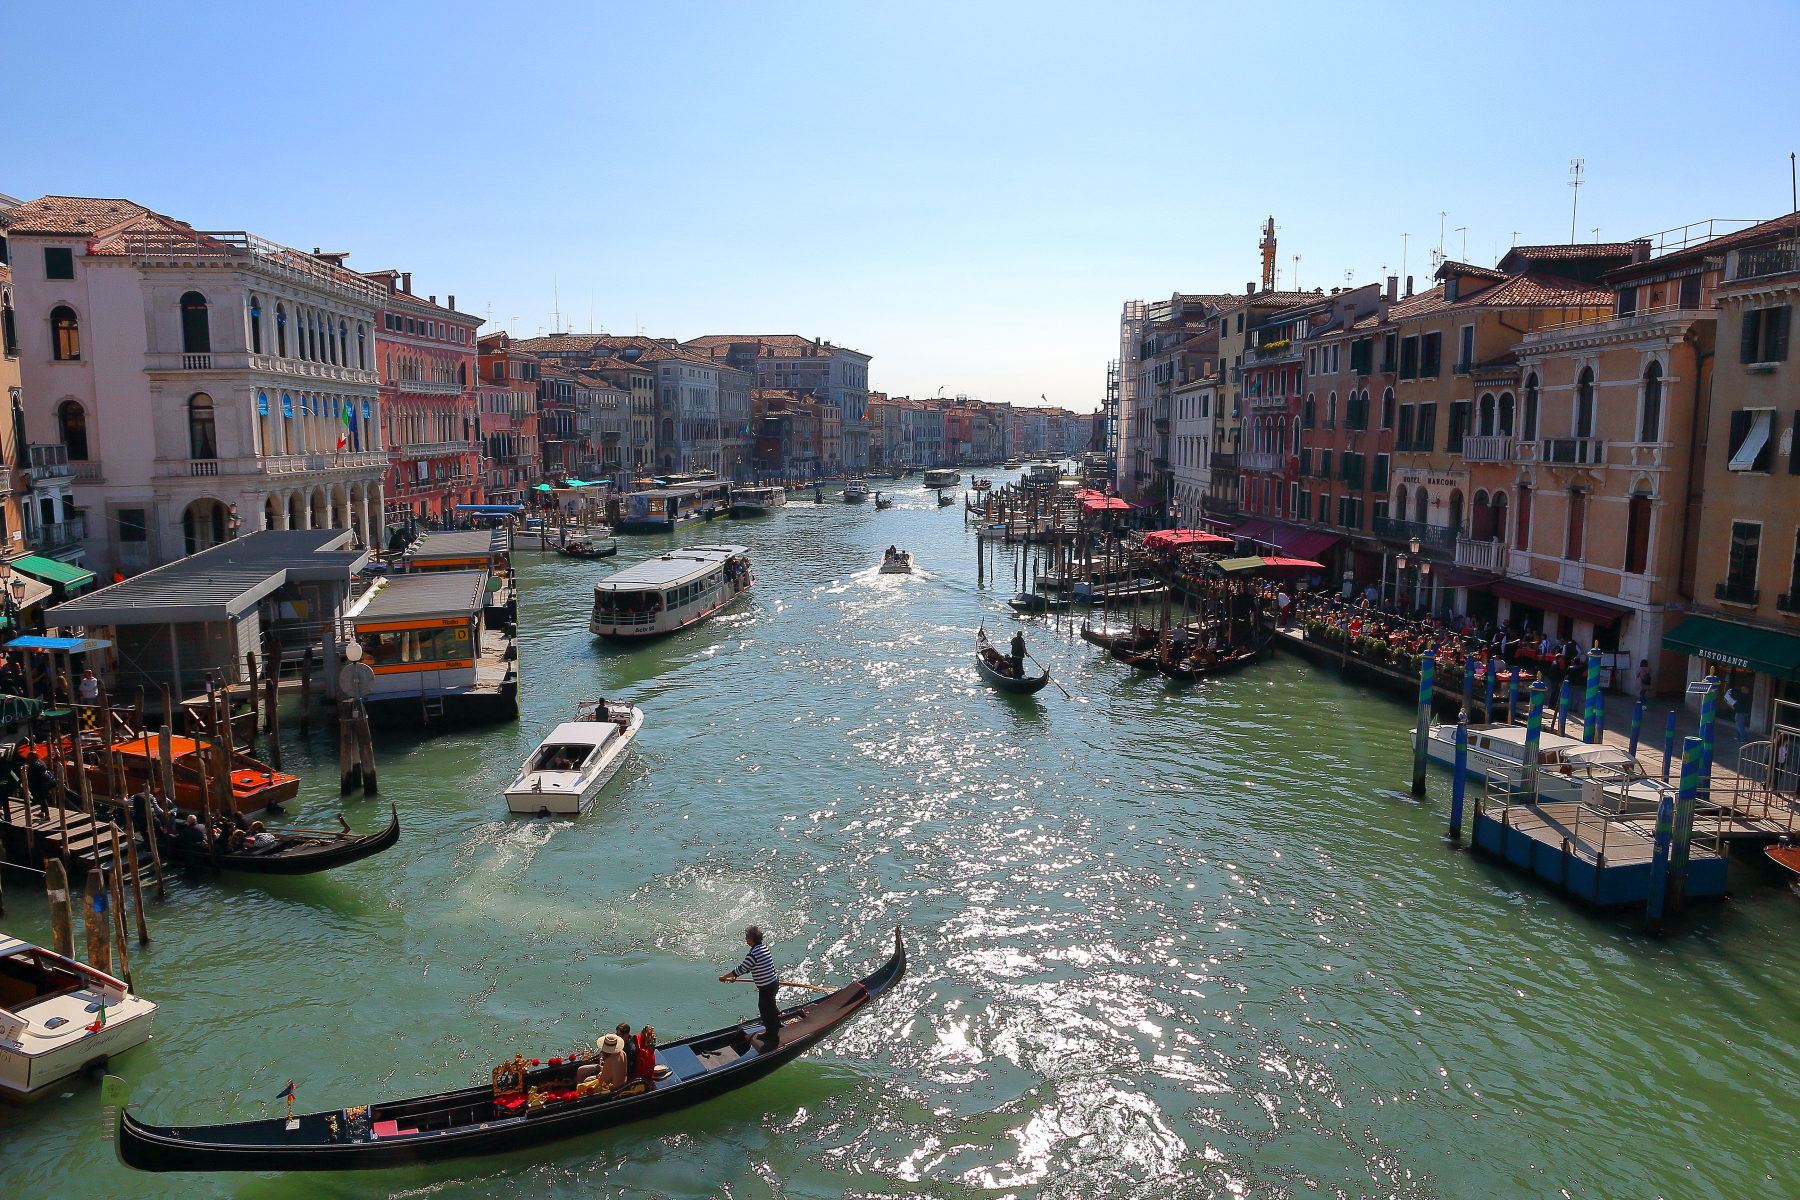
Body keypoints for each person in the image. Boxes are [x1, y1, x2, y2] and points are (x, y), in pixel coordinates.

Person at [720, 925, 782, 1051]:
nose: (746, 940)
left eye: (747, 938)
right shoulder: (763, 948)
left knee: (764, 1008)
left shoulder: (752, 954)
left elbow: (742, 968)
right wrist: (734, 977)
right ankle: (776, 1020)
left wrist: (725, 977)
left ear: (752, 939)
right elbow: (750, 967)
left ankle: (772, 1035)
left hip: (766, 986)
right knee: (770, 1005)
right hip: (774, 983)